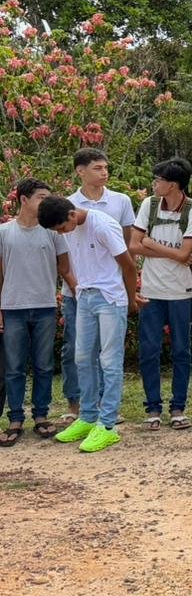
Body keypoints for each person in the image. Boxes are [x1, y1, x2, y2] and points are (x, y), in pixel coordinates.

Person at [40, 195, 140, 453]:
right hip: (84, 296)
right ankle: (87, 417)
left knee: (109, 360)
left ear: (72, 215)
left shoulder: (102, 225)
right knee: (82, 357)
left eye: (62, 228)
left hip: (110, 299)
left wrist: (130, 300)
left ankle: (107, 425)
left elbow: (128, 265)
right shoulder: (68, 228)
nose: (62, 233)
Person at [59, 148, 135, 423]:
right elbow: (63, 253)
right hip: (78, 290)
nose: (104, 172)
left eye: (106, 167)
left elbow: (127, 248)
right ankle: (81, 409)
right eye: (97, 168)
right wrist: (77, 285)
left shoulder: (120, 201)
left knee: (109, 356)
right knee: (78, 352)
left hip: (110, 290)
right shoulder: (66, 205)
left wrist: (129, 290)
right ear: (80, 170)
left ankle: (108, 413)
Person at [131, 157, 192, 431]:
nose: (154, 183)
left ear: (172, 185)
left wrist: (151, 242)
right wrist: (172, 253)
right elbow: (134, 246)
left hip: (180, 290)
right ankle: (152, 408)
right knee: (148, 351)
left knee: (181, 351)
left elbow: (186, 253)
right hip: (151, 288)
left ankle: (178, 407)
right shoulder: (148, 205)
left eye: (158, 179)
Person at [1, 180, 73, 446]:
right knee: (14, 367)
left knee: (44, 365)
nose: (46, 202)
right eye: (41, 197)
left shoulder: (53, 233)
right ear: (23, 200)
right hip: (12, 308)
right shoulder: (4, 232)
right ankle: (15, 418)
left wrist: (78, 293)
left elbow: (65, 268)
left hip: (44, 306)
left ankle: (41, 416)